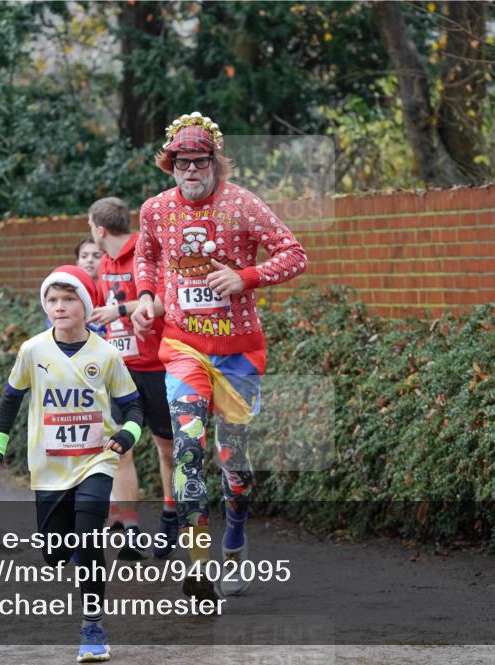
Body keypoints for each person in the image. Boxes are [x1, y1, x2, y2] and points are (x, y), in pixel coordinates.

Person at [131, 112, 308, 599]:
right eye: (181, 163)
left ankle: (235, 541)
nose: (191, 171)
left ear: (214, 163)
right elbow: (146, 255)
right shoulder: (155, 210)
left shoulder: (242, 205)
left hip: (238, 355)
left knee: (234, 462)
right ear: (170, 166)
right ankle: (199, 559)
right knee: (188, 453)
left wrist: (244, 278)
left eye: (199, 162)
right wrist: (146, 296)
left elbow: (294, 253)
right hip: (183, 348)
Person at [0, 265, 142, 663]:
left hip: (96, 461)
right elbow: (10, 402)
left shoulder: (106, 354)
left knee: (88, 536)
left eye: (69, 299)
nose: (59, 306)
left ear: (86, 306)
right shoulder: (32, 350)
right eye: (52, 300)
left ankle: (92, 626)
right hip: (49, 467)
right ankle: (72, 551)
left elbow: (135, 407)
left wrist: (125, 436)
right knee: (55, 554)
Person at [85, 197, 177, 560]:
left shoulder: (146, 253)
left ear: (100, 228)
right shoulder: (105, 263)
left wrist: (120, 310)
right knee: (120, 448)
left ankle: (171, 515)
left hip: (157, 366)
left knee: (166, 450)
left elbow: (164, 302)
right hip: (121, 370)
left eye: (91, 226)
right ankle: (130, 530)